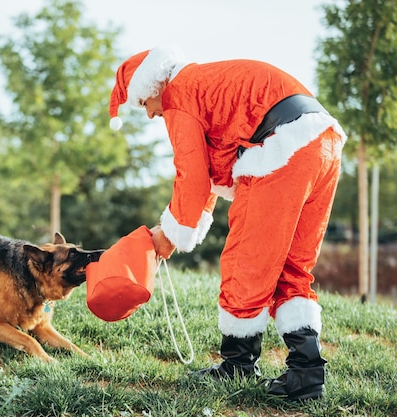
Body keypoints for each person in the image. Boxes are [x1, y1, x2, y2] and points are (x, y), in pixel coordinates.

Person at [108, 46, 346, 401]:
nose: (150, 115)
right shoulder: (205, 84)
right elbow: (209, 174)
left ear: (153, 86)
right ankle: (307, 374)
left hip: (279, 149)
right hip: (323, 142)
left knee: (245, 260)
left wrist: (169, 235)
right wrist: (180, 227)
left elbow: (191, 177)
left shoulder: (178, 95)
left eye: (144, 104)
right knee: (292, 266)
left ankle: (238, 363)